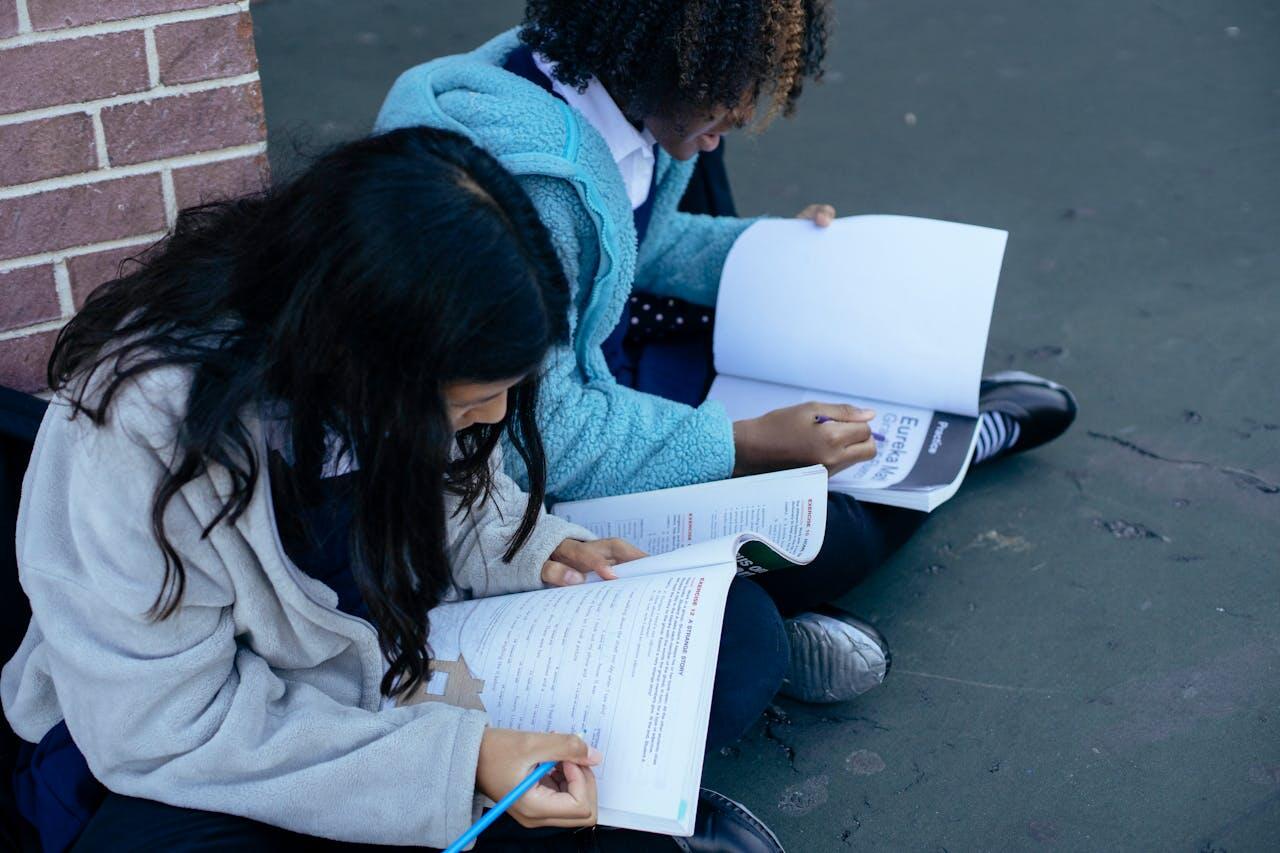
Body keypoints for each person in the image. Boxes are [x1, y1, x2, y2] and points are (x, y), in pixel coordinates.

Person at [1, 128, 787, 852]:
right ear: (364, 363)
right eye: (470, 400)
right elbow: (168, 726)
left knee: (739, 639)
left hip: (402, 652)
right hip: (225, 739)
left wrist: (531, 548)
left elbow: (462, 500)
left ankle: (593, 809)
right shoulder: (140, 432)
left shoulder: (393, 350)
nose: (495, 418)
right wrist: (456, 764)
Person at [375, 0, 1078, 706]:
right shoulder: (539, 186)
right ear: (659, 52)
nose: (739, 116)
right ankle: (941, 458)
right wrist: (744, 445)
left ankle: (932, 447)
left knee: (813, 381)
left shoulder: (609, 87)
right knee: (824, 528)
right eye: (727, 89)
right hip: (541, 457)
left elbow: (634, 242)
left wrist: (769, 251)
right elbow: (533, 435)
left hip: (604, 367)